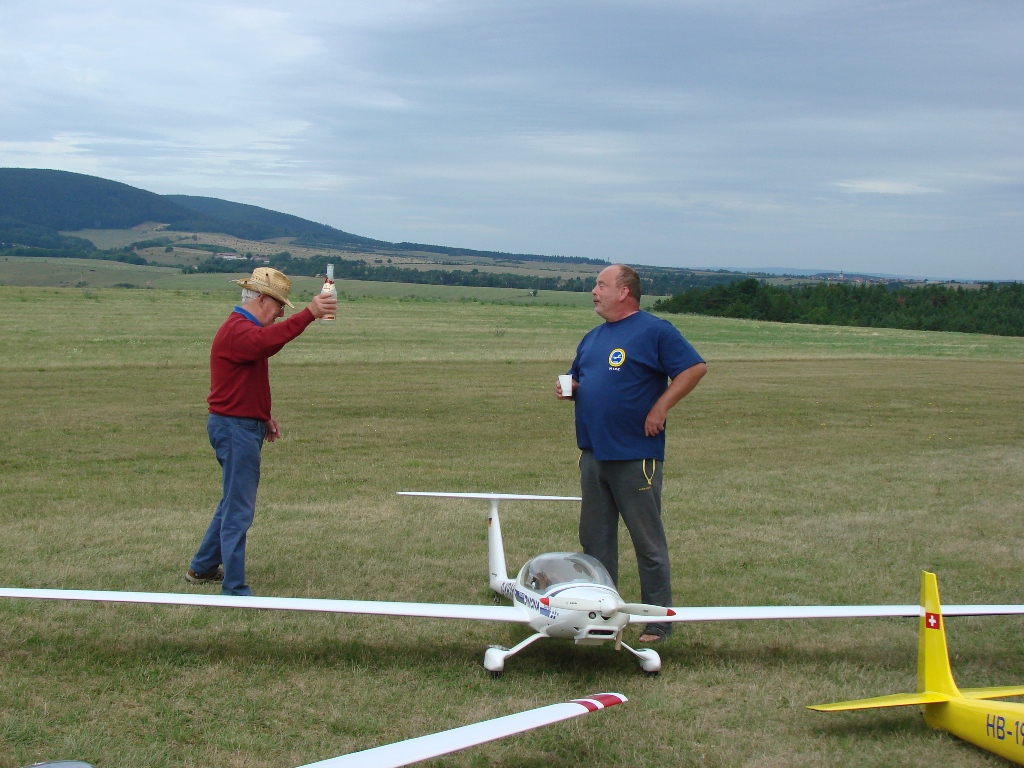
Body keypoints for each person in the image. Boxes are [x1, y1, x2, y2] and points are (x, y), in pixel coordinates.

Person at [556, 264, 706, 643]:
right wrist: (571, 389)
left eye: (601, 285)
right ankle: (601, 615)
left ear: (624, 292)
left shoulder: (655, 331)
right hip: (594, 453)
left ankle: (658, 621)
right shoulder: (592, 338)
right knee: (595, 541)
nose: (594, 291)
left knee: (647, 543)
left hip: (635, 455)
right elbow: (582, 381)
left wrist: (660, 407)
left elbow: (693, 368)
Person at [185, 267, 337, 596]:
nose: (281, 313)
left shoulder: (243, 330)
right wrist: (309, 314)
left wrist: (263, 416)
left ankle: (203, 566)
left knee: (233, 501)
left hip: (239, 423)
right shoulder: (239, 331)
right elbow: (266, 343)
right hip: (234, 428)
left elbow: (248, 375)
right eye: (280, 305)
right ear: (263, 300)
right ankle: (234, 589)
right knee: (239, 509)